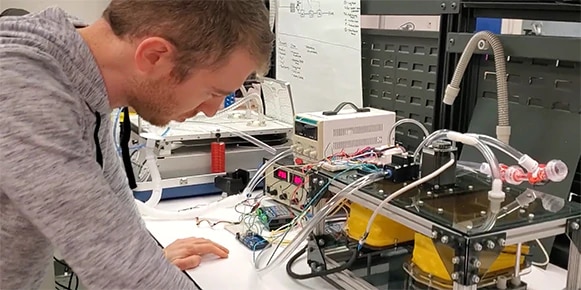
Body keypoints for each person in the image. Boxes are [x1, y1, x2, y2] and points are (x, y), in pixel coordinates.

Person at [0, 0, 273, 289]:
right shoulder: (24, 85)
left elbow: (119, 249)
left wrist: (148, 259)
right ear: (155, 56)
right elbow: (122, 275)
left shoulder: (77, 70)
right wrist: (137, 269)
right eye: (212, 92)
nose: (212, 110)